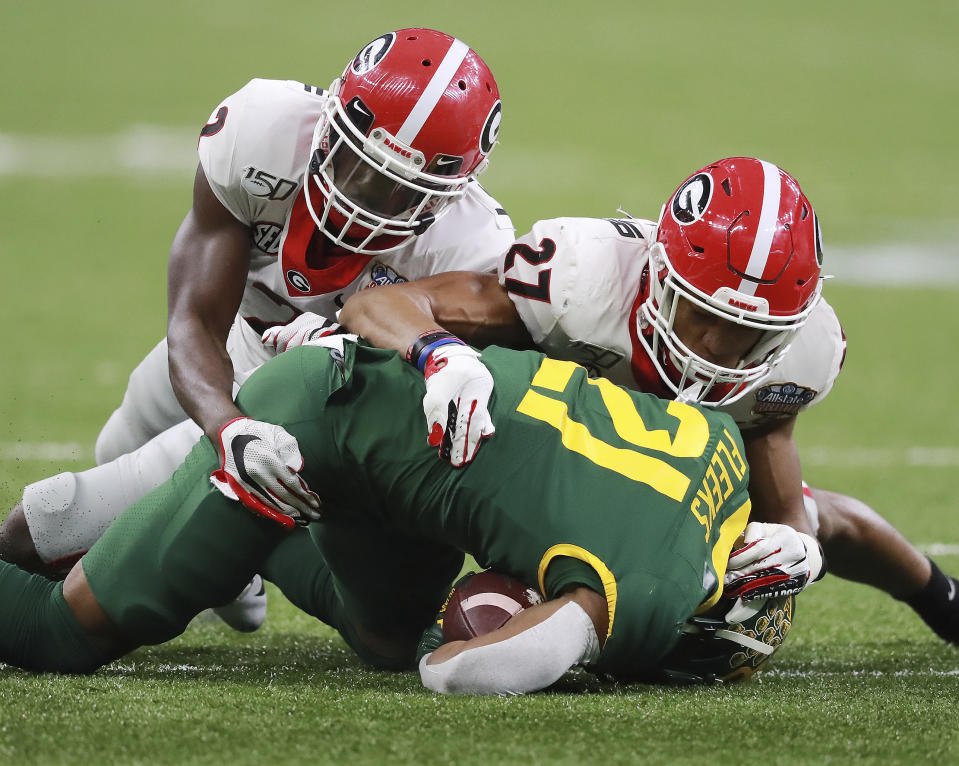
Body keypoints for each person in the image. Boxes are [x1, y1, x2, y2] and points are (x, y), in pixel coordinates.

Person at [0, 28, 514, 628]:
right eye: (355, 163)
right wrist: (227, 425)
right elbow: (194, 318)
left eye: (401, 191)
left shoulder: (473, 253)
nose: (363, 198)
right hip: (244, 338)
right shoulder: (262, 132)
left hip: (334, 410)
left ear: (448, 198)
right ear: (328, 123)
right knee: (119, 441)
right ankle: (235, 558)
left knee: (67, 516)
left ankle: (248, 546)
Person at [334, 156, 959, 641]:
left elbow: (768, 439)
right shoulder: (579, 281)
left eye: (752, 335)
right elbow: (381, 305)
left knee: (791, 539)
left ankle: (941, 598)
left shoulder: (808, 351)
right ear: (657, 272)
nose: (716, 348)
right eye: (701, 314)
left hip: (654, 476)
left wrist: (793, 544)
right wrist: (439, 355)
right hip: (539, 457)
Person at [0, 338, 766, 694]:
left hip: (397, 451)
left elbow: (815, 522)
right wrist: (561, 655)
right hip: (303, 435)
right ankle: (191, 481)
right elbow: (467, 673)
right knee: (59, 635)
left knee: (392, 637)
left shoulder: (726, 450)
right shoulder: (658, 591)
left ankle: (236, 532)